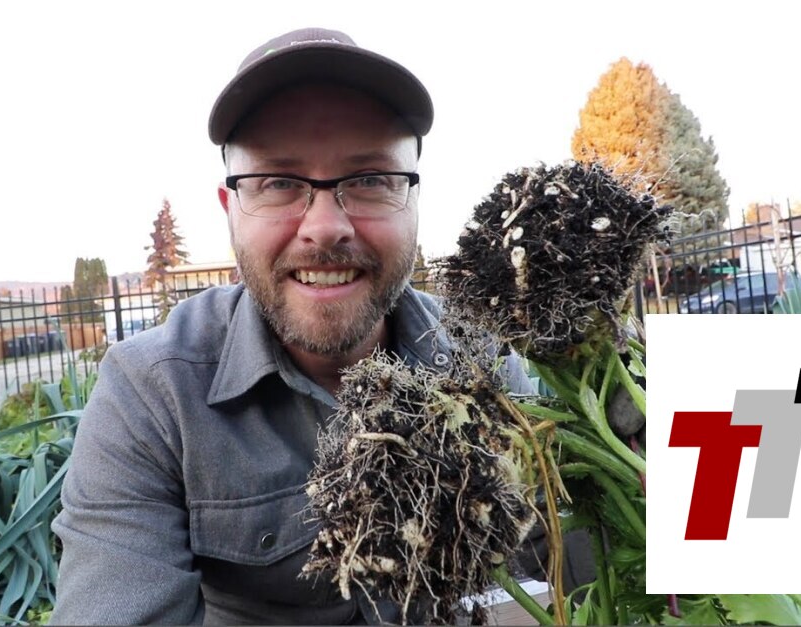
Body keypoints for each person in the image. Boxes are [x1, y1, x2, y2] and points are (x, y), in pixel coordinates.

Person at [50, 27, 587, 625]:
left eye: (370, 179)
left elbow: (575, 562)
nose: (325, 226)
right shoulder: (153, 392)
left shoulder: (482, 360)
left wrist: (644, 476)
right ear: (231, 211)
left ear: (413, 201)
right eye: (279, 182)